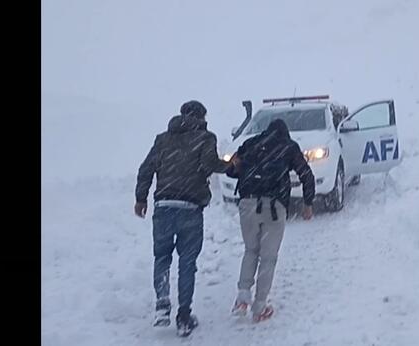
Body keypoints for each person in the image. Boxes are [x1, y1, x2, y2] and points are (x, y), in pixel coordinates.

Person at [134, 100, 229, 336]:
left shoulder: (163, 139)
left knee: (162, 257)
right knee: (187, 263)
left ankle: (163, 305)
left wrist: (141, 198)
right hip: (190, 208)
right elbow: (209, 164)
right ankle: (184, 317)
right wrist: (230, 165)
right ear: (202, 116)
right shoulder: (206, 137)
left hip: (163, 206)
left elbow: (146, 169)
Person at [225, 119, 315, 322]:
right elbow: (306, 175)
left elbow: (230, 170)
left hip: (247, 204)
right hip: (274, 207)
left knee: (250, 250)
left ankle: (242, 298)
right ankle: (259, 307)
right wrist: (308, 203)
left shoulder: (250, 143)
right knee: (268, 257)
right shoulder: (288, 147)